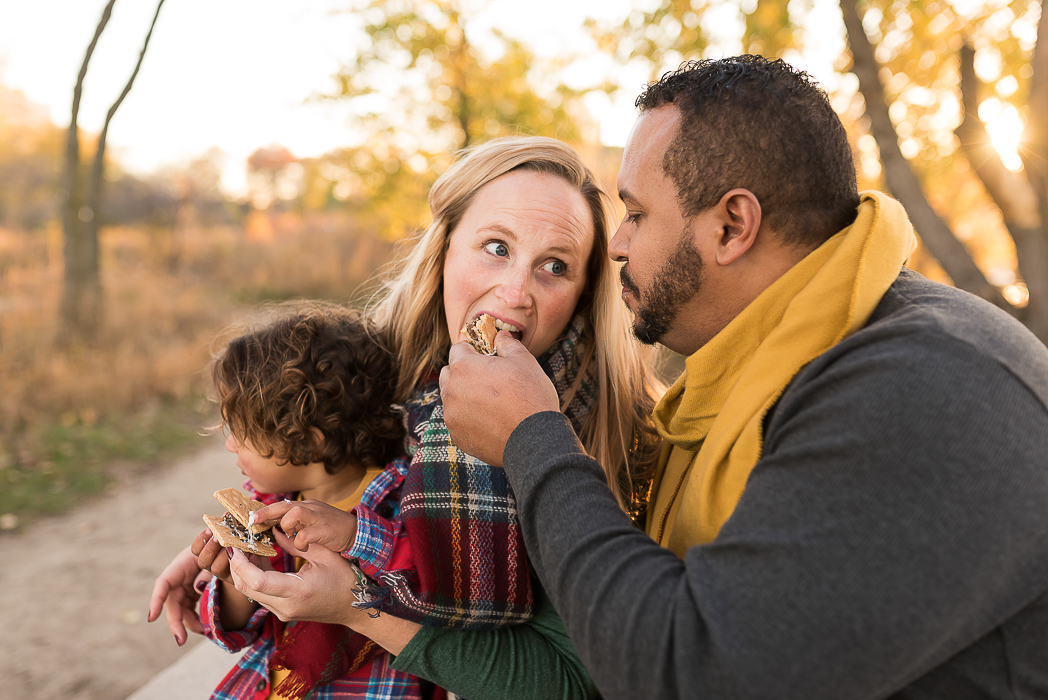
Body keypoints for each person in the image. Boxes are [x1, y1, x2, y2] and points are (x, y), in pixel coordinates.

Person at [435, 56, 1048, 698]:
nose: (616, 244)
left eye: (637, 214)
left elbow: (697, 673)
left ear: (732, 227)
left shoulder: (927, 387)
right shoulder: (760, 371)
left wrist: (533, 439)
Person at [149, 135, 664, 699]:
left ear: (584, 292)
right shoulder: (378, 378)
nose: (514, 292)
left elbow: (569, 684)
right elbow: (297, 477)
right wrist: (235, 545)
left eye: (555, 266)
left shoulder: (613, 438)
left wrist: (355, 604)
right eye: (496, 247)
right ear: (444, 250)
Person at [190, 303, 438, 699]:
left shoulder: (402, 500)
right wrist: (236, 582)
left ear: (307, 440)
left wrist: (355, 537)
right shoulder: (263, 507)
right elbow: (230, 628)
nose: (229, 443)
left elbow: (430, 591)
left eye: (242, 430)